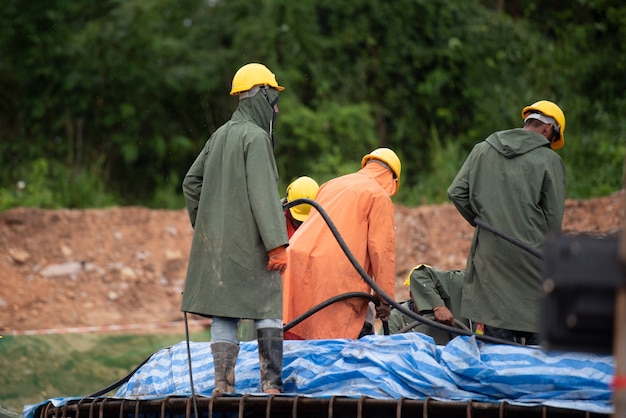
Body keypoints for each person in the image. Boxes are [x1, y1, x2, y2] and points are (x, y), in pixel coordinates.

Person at [180, 63, 289, 395]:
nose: (277, 108)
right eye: (274, 99)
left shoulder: (220, 134)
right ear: (263, 94)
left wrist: (207, 227)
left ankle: (222, 385)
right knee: (266, 303)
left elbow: (190, 183)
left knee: (224, 310)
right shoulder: (255, 137)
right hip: (253, 246)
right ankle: (271, 385)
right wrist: (276, 244)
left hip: (221, 247)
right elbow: (263, 193)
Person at [447, 100, 567, 345]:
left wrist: (482, 221)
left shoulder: (482, 149)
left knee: (495, 343)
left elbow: (456, 191)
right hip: (532, 258)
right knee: (537, 343)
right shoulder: (549, 161)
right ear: (547, 130)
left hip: (490, 255)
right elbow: (553, 222)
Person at [282, 148, 401, 340]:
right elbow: (382, 252)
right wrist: (384, 297)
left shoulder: (332, 183)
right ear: (393, 180)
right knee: (334, 345)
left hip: (298, 261)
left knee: (297, 336)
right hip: (337, 274)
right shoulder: (378, 196)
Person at [380, 264, 468, 345]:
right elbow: (381, 346)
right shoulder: (397, 316)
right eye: (420, 292)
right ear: (411, 295)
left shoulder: (443, 315)